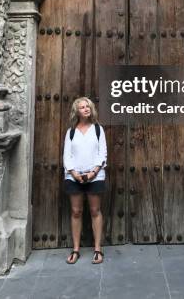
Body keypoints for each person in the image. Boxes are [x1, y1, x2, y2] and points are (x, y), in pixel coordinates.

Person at [63, 96, 107, 265]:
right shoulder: (71, 131)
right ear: (77, 111)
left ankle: (97, 249)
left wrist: (93, 172)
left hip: (95, 175)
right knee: (76, 211)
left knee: (95, 210)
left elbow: (102, 153)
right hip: (73, 176)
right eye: (82, 107)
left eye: (88, 106)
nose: (86, 109)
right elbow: (67, 155)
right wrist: (74, 173)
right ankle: (76, 249)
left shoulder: (98, 129)